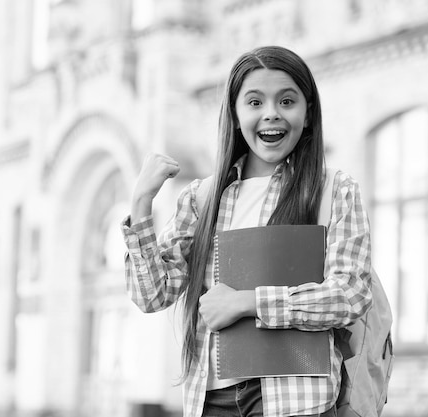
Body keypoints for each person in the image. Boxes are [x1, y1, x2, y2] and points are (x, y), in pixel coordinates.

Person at [120, 45, 373, 417]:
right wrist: (142, 204)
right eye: (254, 102)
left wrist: (248, 302)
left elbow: (350, 294)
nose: (271, 114)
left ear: (308, 113)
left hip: (297, 402)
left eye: (287, 101)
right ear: (236, 115)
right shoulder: (202, 199)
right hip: (213, 401)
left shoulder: (334, 190)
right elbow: (152, 295)